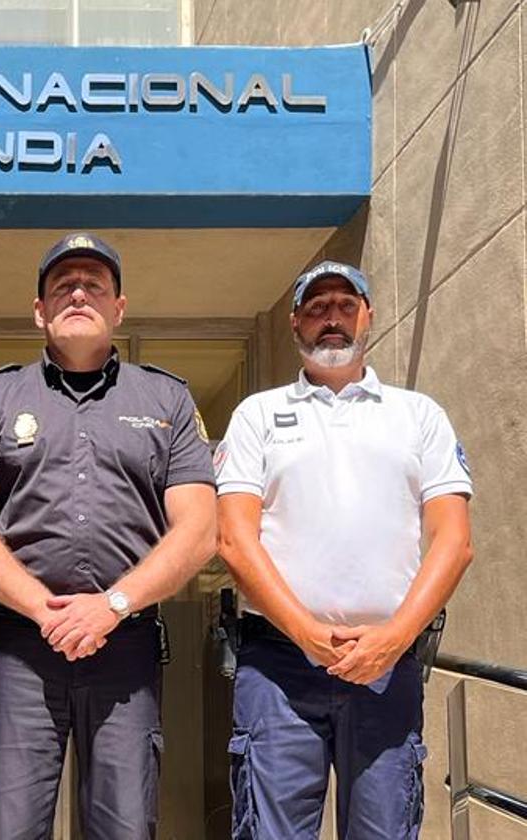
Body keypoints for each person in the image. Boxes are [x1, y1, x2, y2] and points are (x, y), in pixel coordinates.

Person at [0, 232, 217, 840]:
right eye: (63, 285)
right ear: (39, 310)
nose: (78, 294)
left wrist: (111, 606)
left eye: (95, 284)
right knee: (9, 827)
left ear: (119, 307)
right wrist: (49, 611)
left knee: (124, 826)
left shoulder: (166, 398)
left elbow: (199, 532)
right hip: (21, 646)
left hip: (127, 643)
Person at [216, 260, 474, 839]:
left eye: (344, 305)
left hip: (388, 662)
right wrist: (306, 632)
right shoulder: (256, 415)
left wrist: (394, 637)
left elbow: (454, 542)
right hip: (279, 665)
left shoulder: (419, 415)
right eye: (317, 307)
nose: (331, 318)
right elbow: (233, 539)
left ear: (368, 316)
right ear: (294, 323)